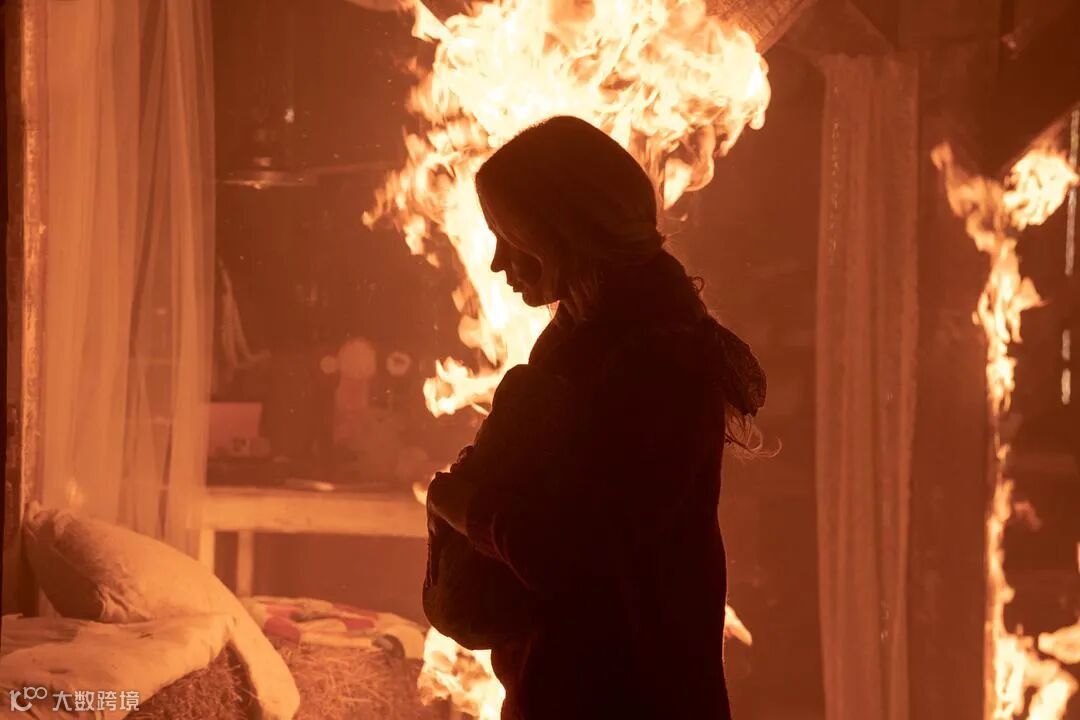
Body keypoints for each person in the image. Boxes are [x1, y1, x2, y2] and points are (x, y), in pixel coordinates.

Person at [422, 115, 766, 720]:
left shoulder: (654, 363)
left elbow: (575, 553)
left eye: (509, 235)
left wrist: (463, 507)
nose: (498, 262)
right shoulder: (587, 348)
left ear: (564, 231)